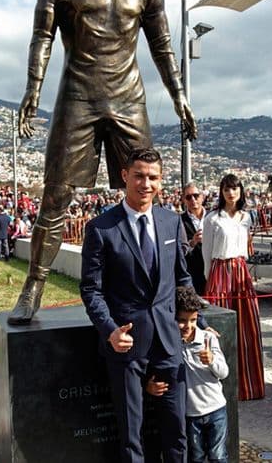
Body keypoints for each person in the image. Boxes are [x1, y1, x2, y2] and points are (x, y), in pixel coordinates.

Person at [8, 0, 197, 324]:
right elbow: (42, 38)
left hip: (129, 98)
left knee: (144, 191)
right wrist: (32, 89)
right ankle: (34, 284)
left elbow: (163, 48)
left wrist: (179, 96)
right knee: (56, 195)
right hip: (78, 96)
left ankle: (159, 286)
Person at [80, 147, 202, 462]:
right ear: (125, 176)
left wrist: (195, 322)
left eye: (152, 178)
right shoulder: (101, 228)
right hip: (126, 345)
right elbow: (91, 290)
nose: (145, 184)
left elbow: (183, 278)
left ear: (161, 181)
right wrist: (109, 330)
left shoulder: (171, 222)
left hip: (168, 342)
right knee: (132, 439)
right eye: (139, 176)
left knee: (177, 433)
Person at [146, 287, 228, 463]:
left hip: (216, 410)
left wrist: (212, 360)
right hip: (190, 415)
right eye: (181, 321)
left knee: (218, 456)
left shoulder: (208, 338)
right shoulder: (170, 344)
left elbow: (224, 372)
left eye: (193, 320)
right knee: (195, 457)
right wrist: (149, 385)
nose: (188, 326)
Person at [202, 174, 265, 401]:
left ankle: (248, 382)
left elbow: (246, 250)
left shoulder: (246, 217)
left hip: (241, 272)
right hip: (220, 271)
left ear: (241, 191)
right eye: (227, 189)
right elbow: (206, 254)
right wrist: (211, 279)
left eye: (235, 188)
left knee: (246, 326)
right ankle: (219, 383)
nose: (231, 193)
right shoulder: (212, 218)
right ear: (221, 192)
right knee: (220, 327)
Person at [180, 182, 207, 295]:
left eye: (196, 196)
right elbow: (178, 250)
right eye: (188, 197)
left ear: (202, 197)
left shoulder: (213, 218)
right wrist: (192, 242)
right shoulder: (178, 220)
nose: (193, 200)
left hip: (213, 272)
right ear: (184, 200)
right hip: (192, 273)